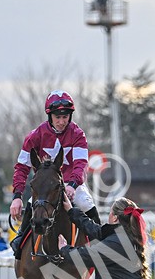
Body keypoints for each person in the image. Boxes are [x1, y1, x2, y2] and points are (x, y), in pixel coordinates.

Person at [9, 90, 100, 259]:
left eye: (65, 117)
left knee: (85, 202)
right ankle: (20, 240)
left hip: (72, 183)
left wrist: (72, 185)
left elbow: (81, 164)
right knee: (32, 204)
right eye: (57, 117)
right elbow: (21, 167)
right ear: (50, 116)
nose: (61, 121)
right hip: (46, 186)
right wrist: (16, 196)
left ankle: (101, 247)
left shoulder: (78, 135)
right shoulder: (35, 136)